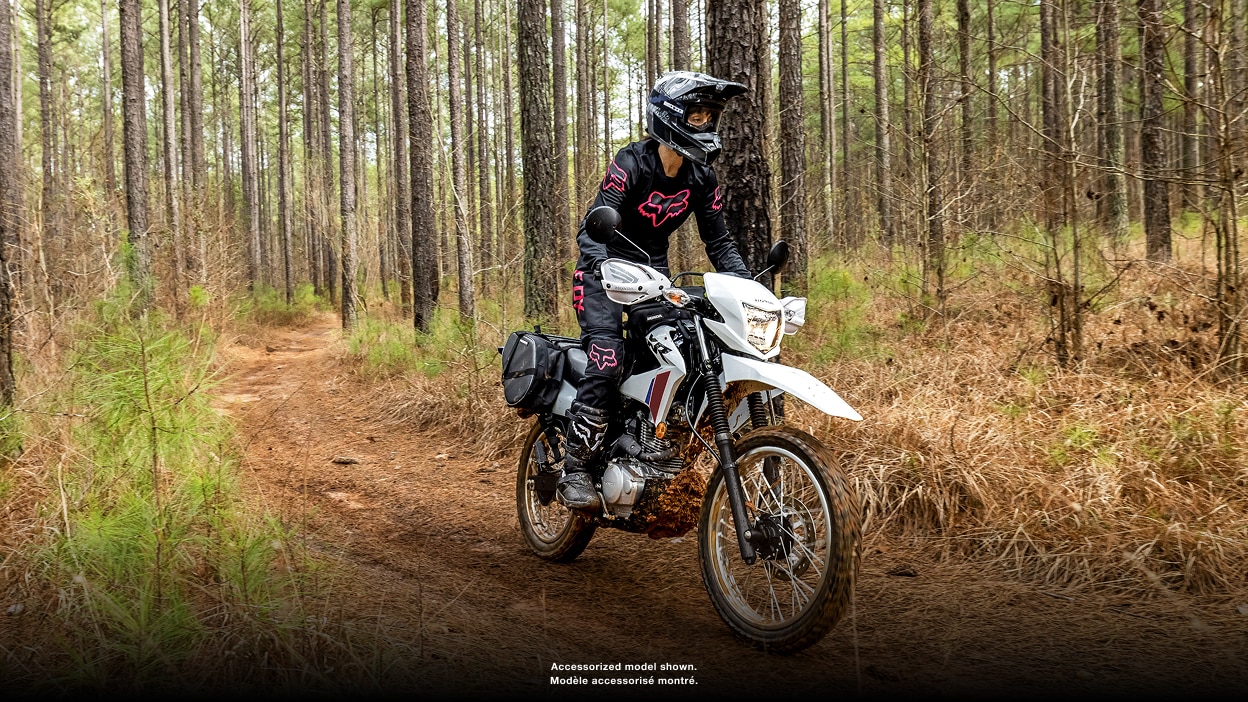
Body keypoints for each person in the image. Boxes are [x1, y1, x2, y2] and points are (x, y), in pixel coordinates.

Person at [557, 71, 753, 511]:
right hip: (601, 273)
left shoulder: (701, 177)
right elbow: (596, 221)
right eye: (697, 114)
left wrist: (746, 286)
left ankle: (642, 436)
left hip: (654, 277)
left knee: (679, 352)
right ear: (670, 117)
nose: (705, 123)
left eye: (710, 116)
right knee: (608, 359)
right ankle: (574, 467)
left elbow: (719, 241)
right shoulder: (631, 163)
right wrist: (604, 264)